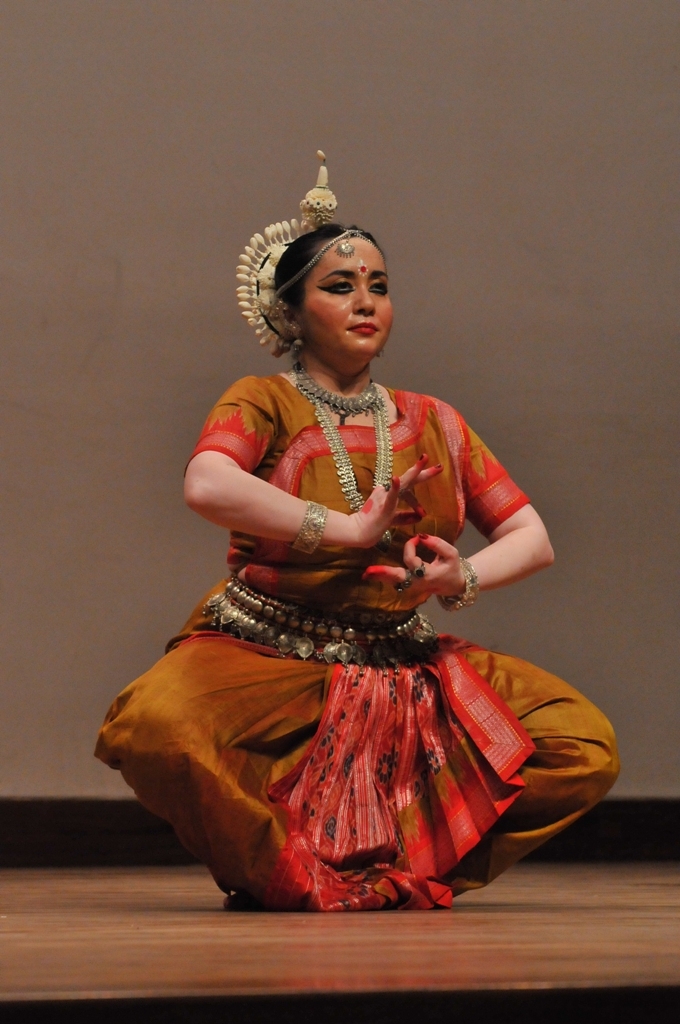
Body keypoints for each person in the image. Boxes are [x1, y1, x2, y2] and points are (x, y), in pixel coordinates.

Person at [96, 154, 618, 911]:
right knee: (155, 727)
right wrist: (344, 528)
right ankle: (289, 872)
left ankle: (389, 873)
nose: (366, 301)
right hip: (267, 650)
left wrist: (458, 578)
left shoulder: (433, 420)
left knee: (583, 747)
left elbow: (531, 535)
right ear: (291, 311)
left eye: (378, 286)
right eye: (340, 287)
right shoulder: (264, 400)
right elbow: (207, 484)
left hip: (402, 658)